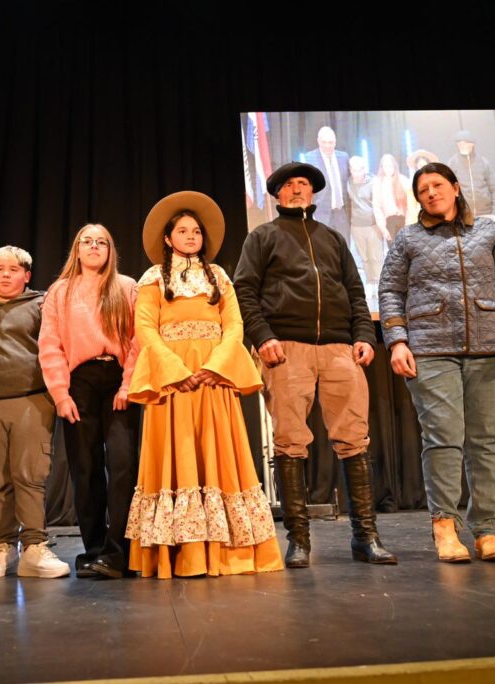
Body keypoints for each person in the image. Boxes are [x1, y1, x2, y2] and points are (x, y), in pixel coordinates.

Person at [234, 162, 397, 568]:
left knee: (354, 439)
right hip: (287, 348)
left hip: (340, 348)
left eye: (303, 184)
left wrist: (363, 334)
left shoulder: (333, 238)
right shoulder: (263, 236)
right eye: (288, 185)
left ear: (313, 192)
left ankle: (366, 536)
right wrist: (262, 336)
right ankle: (299, 540)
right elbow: (244, 290)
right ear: (276, 194)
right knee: (290, 441)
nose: (296, 190)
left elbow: (356, 292)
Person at [379, 162, 495, 563]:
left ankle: (488, 530)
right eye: (422, 190)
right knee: (444, 439)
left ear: (454, 187)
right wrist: (397, 341)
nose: (430, 193)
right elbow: (390, 292)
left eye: (436, 185)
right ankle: (445, 527)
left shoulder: (489, 231)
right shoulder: (407, 239)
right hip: (431, 350)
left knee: (487, 442)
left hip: (492, 345)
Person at [124, 191, 283, 579]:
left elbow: (235, 325)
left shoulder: (220, 277)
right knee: (176, 456)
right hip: (173, 381)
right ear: (168, 238)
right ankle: (181, 551)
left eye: (196, 231)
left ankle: (229, 552)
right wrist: (176, 369)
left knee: (218, 453)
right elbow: (145, 326)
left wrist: (214, 366)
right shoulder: (153, 279)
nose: (191, 236)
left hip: (213, 379)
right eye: (183, 230)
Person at [38, 224, 139, 579]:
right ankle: (94, 549)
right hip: (78, 383)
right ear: (76, 249)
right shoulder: (60, 291)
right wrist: (60, 394)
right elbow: (50, 345)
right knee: (85, 467)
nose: (94, 247)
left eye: (102, 242)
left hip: (117, 380)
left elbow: (137, 341)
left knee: (124, 466)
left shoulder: (126, 287)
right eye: (87, 241)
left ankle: (118, 552)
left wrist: (128, 385)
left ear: (111, 250)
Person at [0, 246, 70, 579]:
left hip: (30, 398)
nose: (5, 274)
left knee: (30, 476)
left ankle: (34, 547)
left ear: (26, 276)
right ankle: (3, 547)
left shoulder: (41, 305)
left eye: (14, 269)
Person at [347, 156, 384, 307]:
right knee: (364, 257)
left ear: (365, 168)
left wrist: (379, 224)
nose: (358, 172)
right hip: (356, 225)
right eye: (354, 169)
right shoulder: (348, 182)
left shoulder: (373, 182)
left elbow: (377, 205)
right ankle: (370, 283)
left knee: (376, 256)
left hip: (372, 224)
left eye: (360, 168)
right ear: (350, 170)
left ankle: (379, 284)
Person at [304, 126, 352, 242]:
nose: (327, 146)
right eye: (324, 142)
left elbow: (352, 179)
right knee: (325, 250)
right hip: (321, 214)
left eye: (330, 142)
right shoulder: (309, 158)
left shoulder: (344, 157)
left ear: (335, 142)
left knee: (344, 248)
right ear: (318, 141)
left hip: (341, 214)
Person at [446, 129, 495, 222]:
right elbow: (448, 191)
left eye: (464, 143)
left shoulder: (483, 162)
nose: (461, 146)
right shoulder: (452, 163)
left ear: (472, 144)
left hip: (486, 215)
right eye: (459, 144)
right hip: (463, 216)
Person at [372, 153, 412, 245]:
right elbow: (377, 207)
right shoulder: (378, 183)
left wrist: (408, 224)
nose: (388, 168)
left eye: (390, 165)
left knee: (406, 253)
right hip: (389, 223)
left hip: (404, 221)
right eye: (385, 166)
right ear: (382, 167)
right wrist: (383, 228)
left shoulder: (403, 180)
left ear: (395, 166)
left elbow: (411, 204)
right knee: (394, 254)